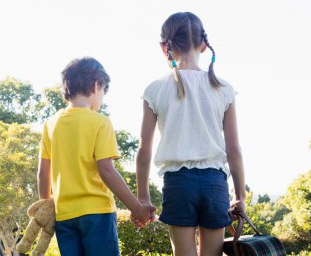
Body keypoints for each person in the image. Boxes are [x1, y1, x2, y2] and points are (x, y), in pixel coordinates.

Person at [135, 12, 247, 256]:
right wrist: (239, 196)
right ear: (203, 45)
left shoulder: (154, 90)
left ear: (164, 46)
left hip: (178, 184)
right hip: (215, 184)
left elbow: (144, 150)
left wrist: (142, 197)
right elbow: (234, 149)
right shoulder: (223, 89)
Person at [38, 57, 155, 256]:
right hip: (97, 213)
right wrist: (136, 207)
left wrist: (45, 205)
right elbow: (106, 170)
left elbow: (43, 173)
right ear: (96, 85)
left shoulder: (51, 124)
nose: (101, 100)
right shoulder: (100, 122)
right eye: (103, 93)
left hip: (64, 216)